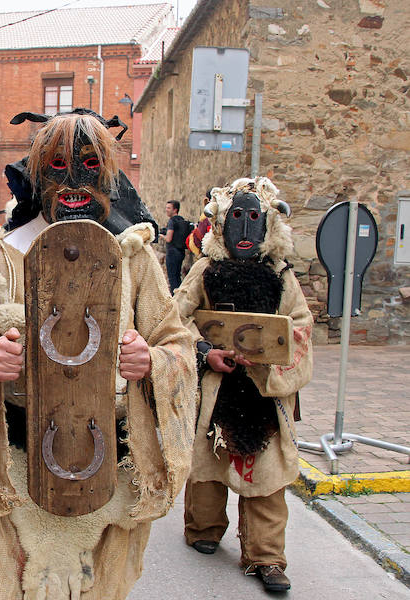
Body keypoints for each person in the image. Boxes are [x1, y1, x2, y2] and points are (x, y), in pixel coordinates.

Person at [0, 108, 197, 600]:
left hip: (106, 478)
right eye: (56, 166)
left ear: (108, 176)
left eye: (89, 164)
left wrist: (152, 362)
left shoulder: (132, 260)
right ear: (37, 175)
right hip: (11, 474)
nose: (73, 180)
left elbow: (177, 343)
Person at [174, 177, 312, 593]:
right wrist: (203, 353)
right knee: (206, 466)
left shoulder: (282, 276)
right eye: (237, 217)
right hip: (216, 387)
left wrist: (273, 362)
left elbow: (301, 326)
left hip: (263, 392)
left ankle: (266, 556)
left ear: (269, 224)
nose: (246, 228)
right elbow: (173, 319)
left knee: (267, 479)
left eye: (255, 218)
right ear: (222, 224)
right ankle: (203, 529)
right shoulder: (205, 270)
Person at [163, 200, 190, 292]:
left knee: (172, 278)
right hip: (180, 252)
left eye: (169, 208)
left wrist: (160, 235)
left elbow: (168, 239)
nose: (166, 210)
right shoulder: (181, 220)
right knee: (178, 276)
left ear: (175, 210)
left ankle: (174, 300)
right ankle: (179, 297)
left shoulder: (172, 221)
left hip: (172, 252)